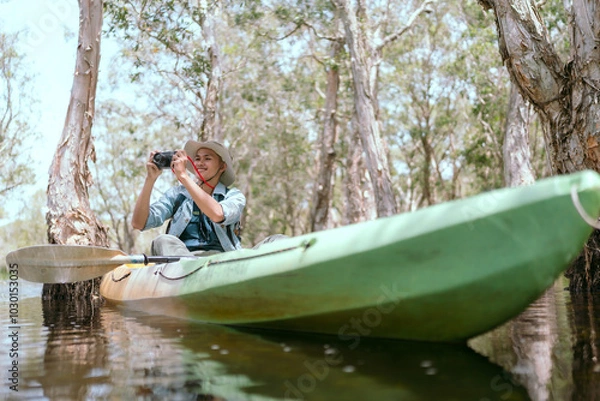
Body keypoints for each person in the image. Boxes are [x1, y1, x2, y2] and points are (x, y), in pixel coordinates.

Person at [132, 140, 246, 256]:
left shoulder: (234, 196)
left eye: (207, 159)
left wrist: (184, 177)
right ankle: (190, 268)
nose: (200, 163)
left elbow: (218, 214)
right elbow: (139, 223)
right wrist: (150, 178)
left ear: (222, 167)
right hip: (183, 262)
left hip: (221, 260)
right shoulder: (178, 194)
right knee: (162, 241)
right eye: (197, 159)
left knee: (265, 243)